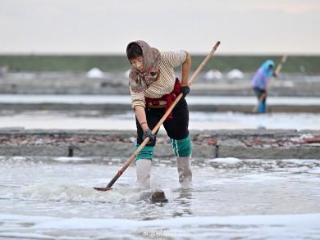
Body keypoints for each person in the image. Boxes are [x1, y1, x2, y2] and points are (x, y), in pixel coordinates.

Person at [126, 40, 192, 189]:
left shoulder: (165, 58)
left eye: (139, 60)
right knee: (145, 143)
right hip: (148, 108)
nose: (137, 65)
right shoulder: (135, 77)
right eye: (133, 61)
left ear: (147, 55)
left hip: (174, 102)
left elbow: (186, 57)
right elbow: (138, 103)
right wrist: (145, 128)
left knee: (181, 137)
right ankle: (142, 187)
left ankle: (186, 184)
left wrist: (185, 83)